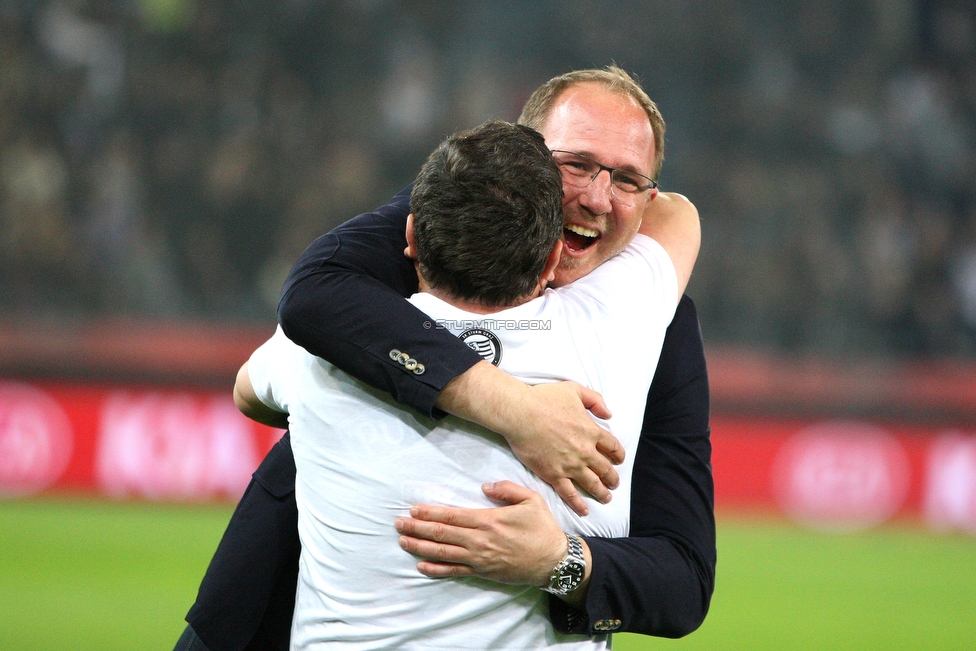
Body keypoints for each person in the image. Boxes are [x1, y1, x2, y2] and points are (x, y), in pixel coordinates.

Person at [177, 66, 713, 651]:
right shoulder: (617, 320)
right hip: (264, 610)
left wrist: (563, 563)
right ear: (525, 160)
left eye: (629, 179)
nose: (596, 197)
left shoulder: (650, 323)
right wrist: (516, 409)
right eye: (576, 164)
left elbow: (681, 578)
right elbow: (310, 293)